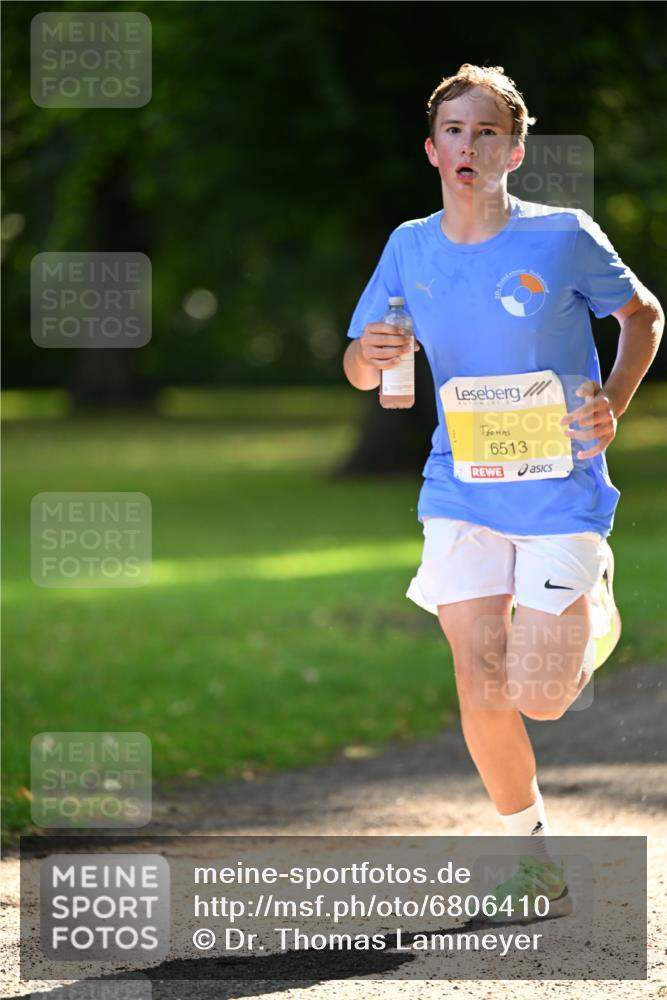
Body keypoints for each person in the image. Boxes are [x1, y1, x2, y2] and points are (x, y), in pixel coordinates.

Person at [342, 63, 664, 921]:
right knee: (480, 680)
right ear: (431, 149)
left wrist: (612, 403)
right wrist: (367, 356)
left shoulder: (561, 235)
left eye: (487, 132)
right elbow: (360, 361)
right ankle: (531, 856)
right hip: (460, 490)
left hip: (559, 491)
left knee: (540, 696)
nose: (469, 146)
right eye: (455, 131)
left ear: (514, 151)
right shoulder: (409, 246)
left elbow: (643, 316)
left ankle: (589, 602)